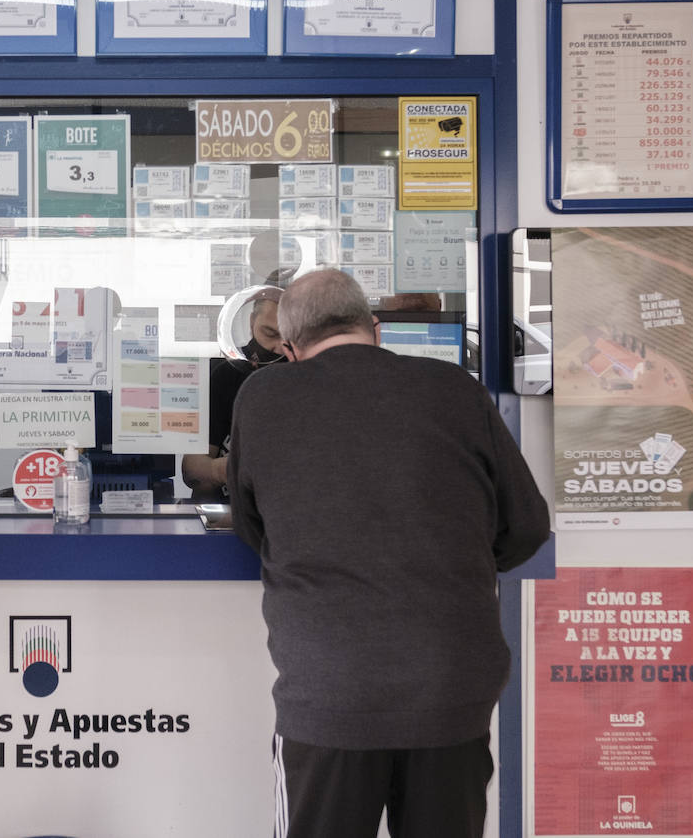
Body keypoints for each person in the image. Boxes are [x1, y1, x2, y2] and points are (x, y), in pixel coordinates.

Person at [227, 269, 550, 838]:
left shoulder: (263, 395)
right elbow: (525, 527)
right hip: (450, 690)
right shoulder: (455, 388)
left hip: (330, 693)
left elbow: (254, 530)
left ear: (290, 347)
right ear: (375, 330)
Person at [181, 291, 285, 499]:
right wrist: (225, 470)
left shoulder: (310, 380)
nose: (279, 348)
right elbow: (192, 469)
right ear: (252, 321)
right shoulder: (227, 375)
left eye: (290, 337)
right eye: (269, 333)